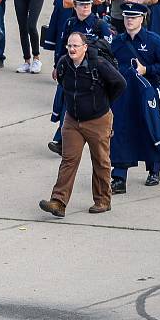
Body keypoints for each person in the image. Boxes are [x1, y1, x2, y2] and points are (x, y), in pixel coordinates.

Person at [38, 30, 126, 217]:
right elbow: (62, 83)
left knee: (101, 161)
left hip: (98, 120)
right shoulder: (64, 64)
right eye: (69, 45)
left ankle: (103, 200)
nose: (71, 49)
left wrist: (104, 104)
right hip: (72, 120)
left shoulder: (99, 64)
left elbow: (120, 83)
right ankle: (58, 202)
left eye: (75, 46)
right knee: (68, 160)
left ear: (85, 47)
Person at [109, 3, 160, 194]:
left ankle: (154, 169)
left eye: (134, 17)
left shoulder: (152, 40)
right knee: (121, 131)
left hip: (147, 93)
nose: (129, 20)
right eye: (127, 17)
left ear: (142, 19)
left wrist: (147, 70)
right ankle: (119, 176)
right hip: (123, 96)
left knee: (148, 129)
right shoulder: (117, 42)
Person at [48, 0, 114, 154]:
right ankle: (62, 140)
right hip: (71, 71)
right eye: (81, 4)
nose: (85, 7)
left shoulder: (100, 25)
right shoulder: (70, 23)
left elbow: (109, 51)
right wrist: (57, 66)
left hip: (92, 75)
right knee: (67, 105)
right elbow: (62, 47)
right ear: (75, 6)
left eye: (88, 4)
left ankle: (65, 140)